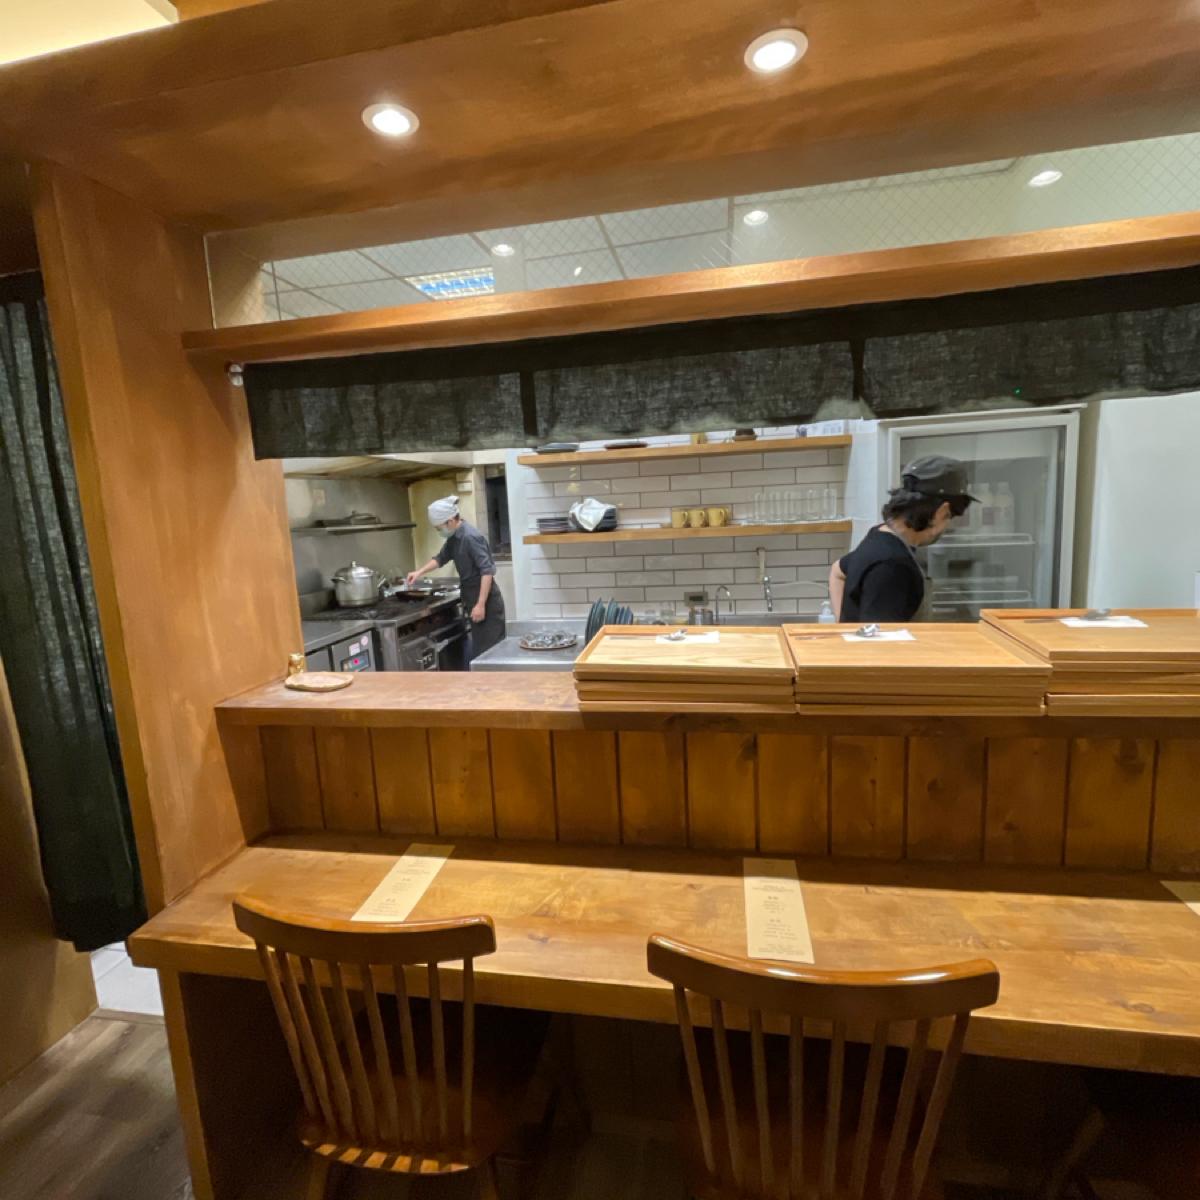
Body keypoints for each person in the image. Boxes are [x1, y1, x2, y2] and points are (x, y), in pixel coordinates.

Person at [828, 455, 976, 622]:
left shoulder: (880, 534)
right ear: (941, 512)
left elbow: (837, 571)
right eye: (949, 517)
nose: (947, 527)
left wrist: (843, 626)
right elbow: (880, 638)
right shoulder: (893, 565)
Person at [407, 496, 506, 660]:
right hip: (472, 598)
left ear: (451, 521)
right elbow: (441, 558)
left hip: (486, 603)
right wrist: (419, 572)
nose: (439, 532)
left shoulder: (470, 537)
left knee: (490, 656)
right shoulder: (454, 537)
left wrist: (480, 604)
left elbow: (487, 572)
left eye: (439, 528)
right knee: (480, 655)